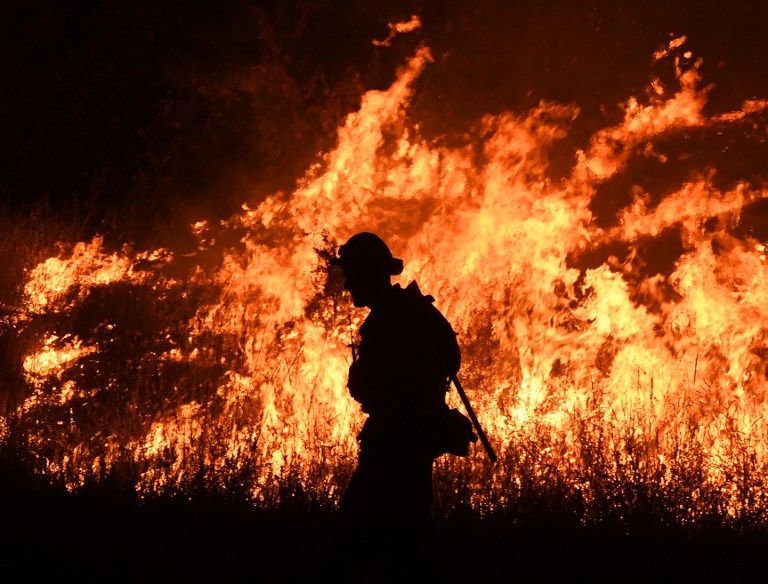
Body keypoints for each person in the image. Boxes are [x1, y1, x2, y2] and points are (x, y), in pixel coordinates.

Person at [329, 232, 474, 580]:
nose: (347, 284)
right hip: (412, 441)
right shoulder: (412, 312)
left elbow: (377, 386)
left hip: (394, 442)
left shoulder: (389, 321)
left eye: (351, 274)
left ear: (368, 274)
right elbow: (448, 362)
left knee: (358, 535)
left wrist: (370, 385)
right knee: (409, 533)